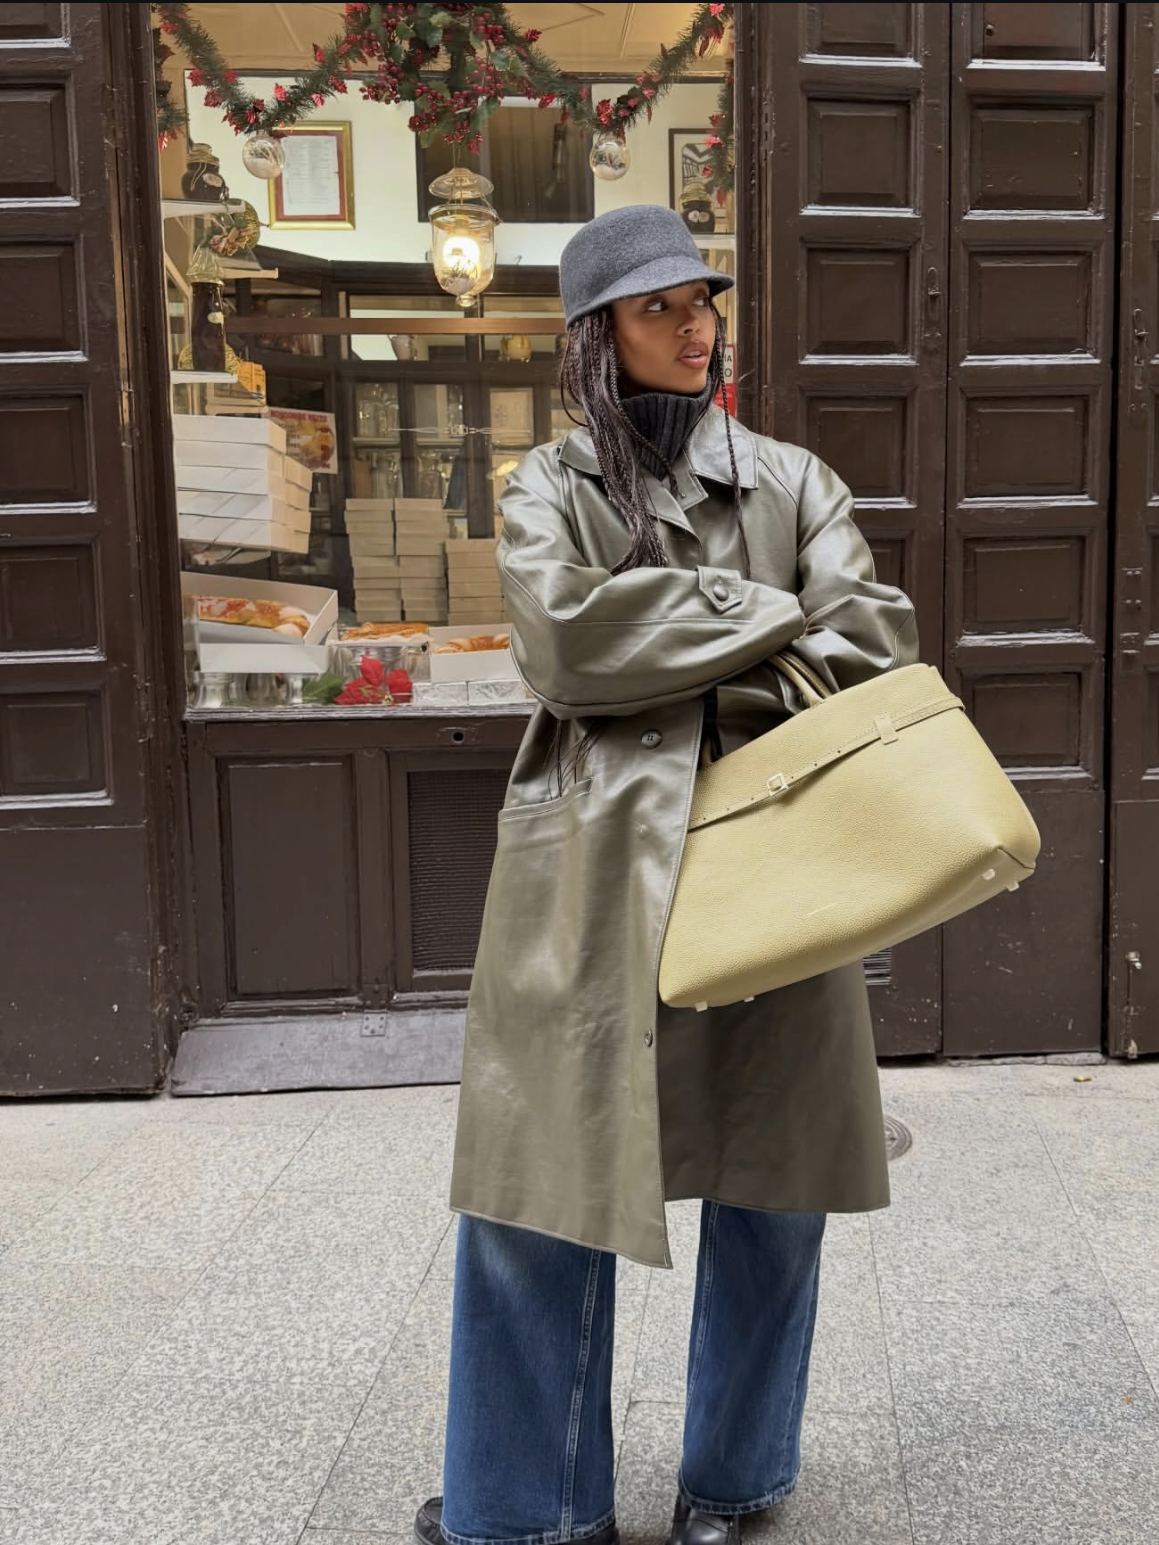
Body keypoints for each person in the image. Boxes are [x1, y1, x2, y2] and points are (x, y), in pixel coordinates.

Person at [415, 204, 918, 1545]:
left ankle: (735, 1482)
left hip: (776, 858)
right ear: (596, 334)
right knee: (532, 1195)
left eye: (704, 300)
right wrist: (763, 618)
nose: (696, 327)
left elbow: (872, 643)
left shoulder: (794, 481)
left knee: (776, 1188)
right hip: (585, 873)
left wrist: (690, 637)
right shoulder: (547, 488)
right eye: (659, 307)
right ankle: (527, 1508)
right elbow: (566, 644)